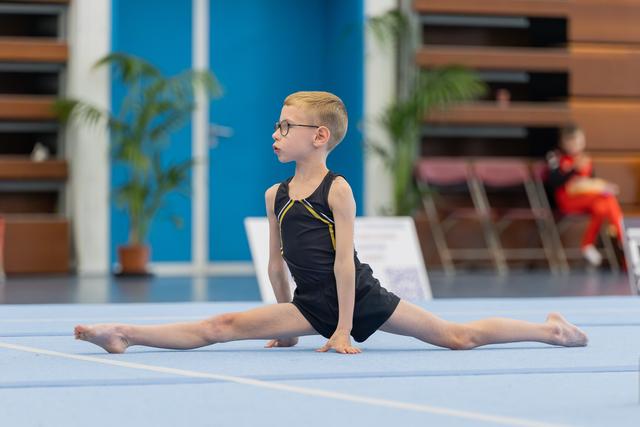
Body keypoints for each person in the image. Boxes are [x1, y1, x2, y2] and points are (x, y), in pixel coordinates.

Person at [74, 91, 588, 354]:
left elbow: (344, 262)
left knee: (458, 337)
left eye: (285, 126)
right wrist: (286, 323)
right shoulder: (275, 193)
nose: (275, 134)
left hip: (359, 297)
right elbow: (276, 263)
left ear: (318, 136)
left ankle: (549, 331)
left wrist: (344, 330)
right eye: (275, 125)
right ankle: (124, 332)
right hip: (309, 303)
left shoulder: (335, 188)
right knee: (221, 327)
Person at [546, 125, 624, 267]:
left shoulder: (585, 160)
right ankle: (622, 238)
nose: (576, 146)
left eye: (578, 142)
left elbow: (589, 182)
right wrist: (574, 170)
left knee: (602, 206)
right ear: (564, 142)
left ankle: (590, 244)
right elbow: (554, 182)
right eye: (572, 142)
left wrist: (601, 186)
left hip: (587, 199)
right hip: (567, 200)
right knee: (607, 198)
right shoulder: (556, 157)